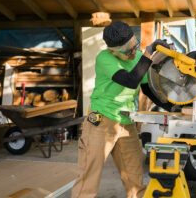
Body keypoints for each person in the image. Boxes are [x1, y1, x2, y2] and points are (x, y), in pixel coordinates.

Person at [71, 21, 170, 198]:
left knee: (134, 177)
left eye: (135, 47)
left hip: (126, 122)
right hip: (101, 121)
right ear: (112, 51)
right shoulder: (104, 58)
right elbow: (130, 80)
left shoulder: (139, 57)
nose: (134, 53)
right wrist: (148, 53)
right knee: (89, 177)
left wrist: (173, 106)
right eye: (128, 51)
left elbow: (147, 88)